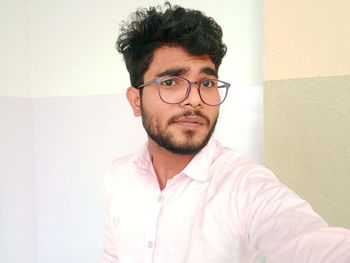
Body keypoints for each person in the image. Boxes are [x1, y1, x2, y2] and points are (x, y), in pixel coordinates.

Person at [101, 2, 350, 263]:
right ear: (136, 101)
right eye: (171, 82)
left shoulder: (246, 187)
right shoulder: (117, 177)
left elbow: (309, 242)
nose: (195, 100)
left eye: (207, 83)